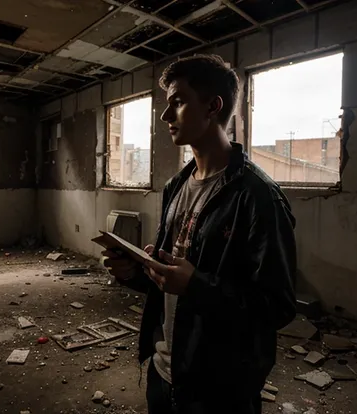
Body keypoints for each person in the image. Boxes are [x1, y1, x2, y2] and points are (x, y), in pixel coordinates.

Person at [102, 54, 297, 414]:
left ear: (212, 106)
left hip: (220, 390)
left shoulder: (257, 196)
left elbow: (277, 307)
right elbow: (173, 283)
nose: (165, 116)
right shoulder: (175, 186)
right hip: (164, 374)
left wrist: (197, 285)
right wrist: (139, 272)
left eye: (177, 102)